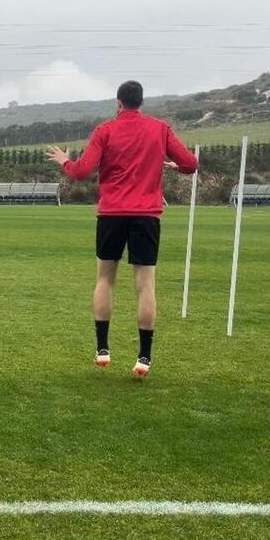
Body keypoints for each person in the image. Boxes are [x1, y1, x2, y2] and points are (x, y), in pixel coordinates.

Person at [45, 80, 198, 378]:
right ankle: (144, 357)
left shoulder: (105, 130)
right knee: (145, 285)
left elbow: (81, 171)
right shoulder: (160, 128)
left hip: (112, 215)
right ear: (141, 102)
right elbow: (191, 163)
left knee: (105, 279)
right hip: (146, 217)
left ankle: (102, 349)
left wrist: (65, 160)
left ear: (118, 103)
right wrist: (174, 167)